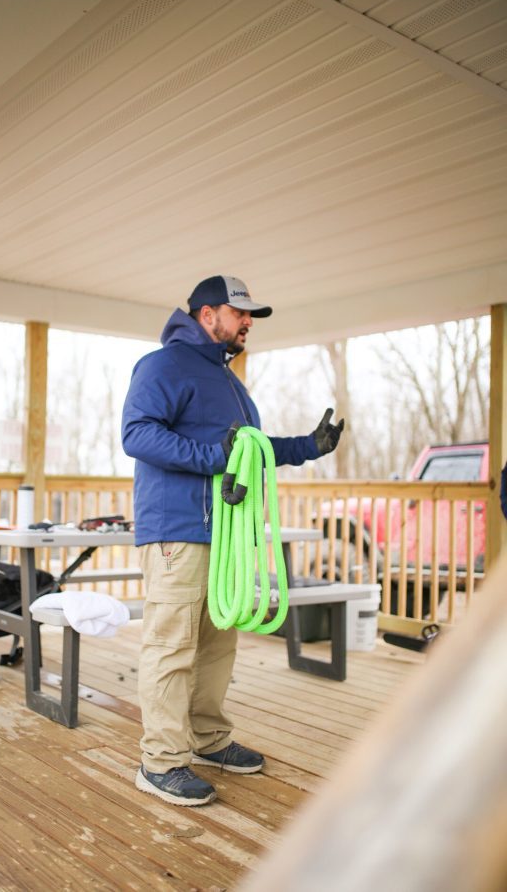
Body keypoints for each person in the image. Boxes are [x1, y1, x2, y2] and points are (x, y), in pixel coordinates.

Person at [121, 275, 344, 807]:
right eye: (239, 312)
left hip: (223, 534)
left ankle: (206, 738)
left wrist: (306, 447)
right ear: (206, 315)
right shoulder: (163, 366)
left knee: (218, 644)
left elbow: (248, 449)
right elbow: (137, 433)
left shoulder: (228, 379)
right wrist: (212, 459)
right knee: (171, 647)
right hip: (178, 530)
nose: (247, 322)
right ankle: (161, 762)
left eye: (250, 315)